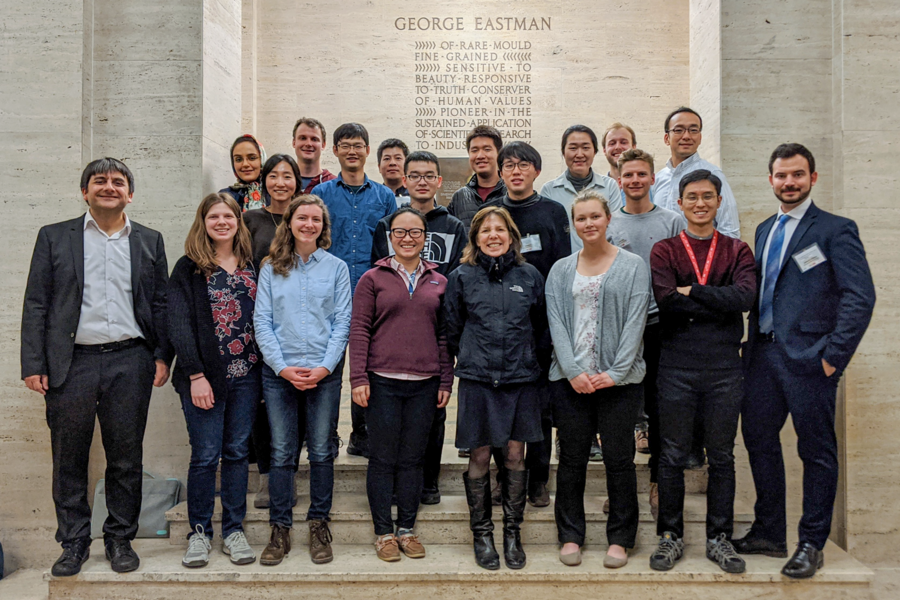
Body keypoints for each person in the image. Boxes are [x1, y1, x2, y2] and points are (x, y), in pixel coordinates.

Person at [21, 158, 171, 576]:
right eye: (99, 181)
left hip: (131, 360)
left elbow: (159, 303)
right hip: (72, 364)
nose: (109, 187)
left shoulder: (148, 240)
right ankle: (73, 543)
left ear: (131, 193)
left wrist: (161, 355)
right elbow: (37, 303)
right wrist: (34, 363)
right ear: (84, 191)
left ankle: (120, 538)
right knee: (68, 457)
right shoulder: (54, 237)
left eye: (118, 181)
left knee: (126, 456)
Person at [734, 143, 875, 579]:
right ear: (771, 179)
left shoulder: (836, 229)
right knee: (758, 440)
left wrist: (834, 357)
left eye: (797, 175)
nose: (789, 182)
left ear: (812, 178)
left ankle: (812, 542)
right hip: (762, 355)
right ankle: (769, 530)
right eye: (781, 175)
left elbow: (860, 295)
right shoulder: (763, 229)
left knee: (816, 451)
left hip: (811, 361)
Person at [648, 169, 756, 573]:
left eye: (707, 196)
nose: (699, 203)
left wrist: (693, 290)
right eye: (691, 197)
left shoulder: (737, 250)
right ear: (679, 204)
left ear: (719, 201)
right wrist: (716, 301)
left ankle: (719, 538)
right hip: (676, 365)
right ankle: (670, 536)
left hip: (726, 368)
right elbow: (665, 302)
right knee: (672, 455)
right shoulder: (665, 250)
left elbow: (744, 298)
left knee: (723, 457)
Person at [546, 189, 649, 569]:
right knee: (571, 460)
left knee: (619, 460)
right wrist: (574, 371)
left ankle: (620, 539)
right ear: (574, 225)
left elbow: (636, 321)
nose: (588, 224)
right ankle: (570, 535)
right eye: (581, 218)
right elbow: (555, 322)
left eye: (595, 216)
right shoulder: (560, 270)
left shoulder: (634, 265)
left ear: (608, 219)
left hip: (619, 383)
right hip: (571, 382)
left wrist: (616, 372)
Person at [444, 206, 548, 571]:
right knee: (479, 457)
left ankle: (512, 533)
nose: (493, 235)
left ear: (511, 235)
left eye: (499, 229)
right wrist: (473, 357)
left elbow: (540, 327)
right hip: (477, 379)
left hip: (520, 379)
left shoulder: (530, 275)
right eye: (485, 229)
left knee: (516, 455)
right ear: (475, 237)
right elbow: (452, 330)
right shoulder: (461, 277)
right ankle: (483, 533)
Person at [350, 206, 453, 561]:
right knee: (382, 458)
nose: (407, 238)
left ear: (426, 238)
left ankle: (406, 529)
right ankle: (383, 533)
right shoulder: (372, 279)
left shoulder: (440, 280)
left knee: (412, 459)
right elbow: (359, 330)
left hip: (425, 384)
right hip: (382, 382)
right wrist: (358, 377)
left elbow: (444, 336)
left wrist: (445, 380)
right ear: (390, 236)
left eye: (415, 232)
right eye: (400, 232)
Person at [253, 195, 351, 566]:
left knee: (323, 450)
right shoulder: (271, 267)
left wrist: (326, 366)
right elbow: (262, 321)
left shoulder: (337, 268)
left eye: (315, 219)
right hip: (280, 374)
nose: (308, 224)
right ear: (289, 223)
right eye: (302, 218)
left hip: (324, 373)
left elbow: (342, 321)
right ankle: (279, 529)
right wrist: (282, 367)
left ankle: (318, 524)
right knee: (281, 451)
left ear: (323, 227)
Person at [168, 193, 261, 568]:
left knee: (238, 453)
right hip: (204, 378)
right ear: (202, 222)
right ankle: (200, 533)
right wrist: (195, 374)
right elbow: (177, 324)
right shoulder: (188, 268)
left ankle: (234, 530)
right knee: (206, 455)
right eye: (214, 216)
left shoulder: (253, 265)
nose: (222, 222)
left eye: (228, 216)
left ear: (238, 221)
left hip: (248, 376)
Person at [371, 151, 466, 505]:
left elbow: (457, 274)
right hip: (396, 331)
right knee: (393, 419)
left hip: (438, 321)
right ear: (405, 181)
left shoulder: (455, 226)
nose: (422, 181)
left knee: (433, 411)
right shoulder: (386, 225)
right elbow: (381, 271)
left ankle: (428, 480)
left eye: (429, 175)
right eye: (415, 175)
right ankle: (395, 480)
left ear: (439, 181)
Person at [489, 141, 571, 508]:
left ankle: (538, 480)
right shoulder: (491, 212)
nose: (516, 171)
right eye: (509, 165)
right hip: (497, 330)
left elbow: (564, 269)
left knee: (538, 411)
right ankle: (501, 476)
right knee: (497, 409)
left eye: (523, 165)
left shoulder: (553, 212)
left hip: (540, 329)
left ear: (536, 171)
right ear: (500, 172)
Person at [607, 148, 685, 517]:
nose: (635, 180)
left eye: (642, 174)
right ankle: (620, 487)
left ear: (653, 179)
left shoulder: (672, 222)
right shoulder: (609, 225)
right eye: (628, 175)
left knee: (658, 408)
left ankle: (657, 483)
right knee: (620, 412)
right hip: (620, 329)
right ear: (619, 181)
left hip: (659, 326)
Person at [312, 123, 396, 459]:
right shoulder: (321, 195)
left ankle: (362, 435)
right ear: (334, 150)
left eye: (358, 145)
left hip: (371, 293)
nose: (351, 151)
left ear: (366, 150)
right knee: (329, 367)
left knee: (368, 366)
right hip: (328, 294)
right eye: (345, 145)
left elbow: (392, 247)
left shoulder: (384, 196)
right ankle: (324, 437)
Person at [243, 154, 304, 509]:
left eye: (288, 176)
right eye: (274, 176)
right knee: (262, 404)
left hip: (296, 325)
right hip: (255, 319)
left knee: (293, 403)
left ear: (297, 181)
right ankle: (268, 475)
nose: (281, 182)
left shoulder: (307, 218)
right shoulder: (250, 220)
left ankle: (289, 471)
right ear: (264, 181)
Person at [652, 107, 740, 239]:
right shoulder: (658, 179)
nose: (686, 136)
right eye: (678, 130)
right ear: (666, 138)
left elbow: (729, 230)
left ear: (700, 137)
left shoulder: (713, 174)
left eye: (693, 130)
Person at [541, 124, 623, 250]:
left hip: (603, 263)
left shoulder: (610, 186)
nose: (579, 154)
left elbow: (615, 229)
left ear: (595, 151)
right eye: (573, 148)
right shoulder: (549, 190)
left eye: (585, 148)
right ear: (563, 152)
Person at [448, 125, 506, 230]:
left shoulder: (511, 193)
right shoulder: (459, 197)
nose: (480, 156)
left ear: (499, 153)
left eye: (487, 149)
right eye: (474, 150)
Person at [220, 134, 267, 211]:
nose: (245, 164)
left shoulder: (275, 194)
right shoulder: (225, 197)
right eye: (238, 159)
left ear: (262, 160)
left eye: (252, 158)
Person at [292, 117, 336, 194]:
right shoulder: (282, 183)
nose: (308, 144)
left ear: (323, 145)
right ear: (294, 143)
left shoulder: (334, 185)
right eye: (303, 138)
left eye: (314, 139)